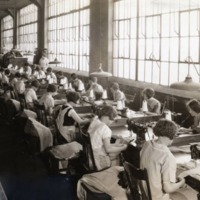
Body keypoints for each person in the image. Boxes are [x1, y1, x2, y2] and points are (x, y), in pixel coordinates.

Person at [140, 119, 197, 200]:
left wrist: (175, 166)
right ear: (172, 135)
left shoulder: (147, 144)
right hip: (159, 198)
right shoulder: (167, 156)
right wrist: (181, 183)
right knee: (193, 194)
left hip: (144, 194)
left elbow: (154, 163)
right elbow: (168, 188)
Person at [88, 105, 128, 171]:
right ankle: (113, 175)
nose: (112, 123)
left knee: (117, 145)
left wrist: (117, 145)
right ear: (110, 117)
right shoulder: (105, 129)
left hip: (89, 157)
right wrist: (123, 148)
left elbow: (99, 143)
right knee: (119, 155)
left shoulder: (95, 121)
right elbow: (108, 150)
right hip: (98, 162)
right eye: (113, 120)